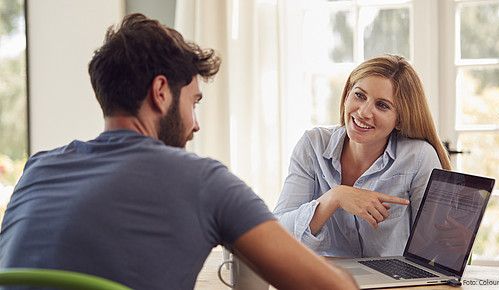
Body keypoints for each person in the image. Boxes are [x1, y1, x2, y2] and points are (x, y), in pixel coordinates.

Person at [0, 14, 357, 290]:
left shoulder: (39, 168)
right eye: (193, 102)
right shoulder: (202, 180)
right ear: (161, 92)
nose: (195, 125)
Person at [274, 55, 452, 258]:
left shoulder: (419, 157)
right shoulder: (313, 144)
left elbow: (436, 251)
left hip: (392, 284)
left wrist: (453, 241)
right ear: (347, 94)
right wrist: (335, 197)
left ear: (400, 119)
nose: (364, 112)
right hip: (324, 280)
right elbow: (277, 234)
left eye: (382, 105)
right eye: (359, 95)